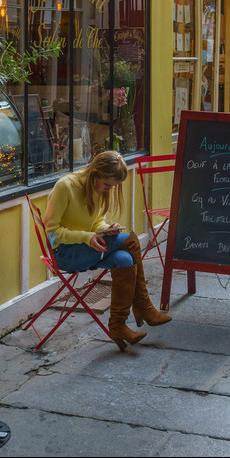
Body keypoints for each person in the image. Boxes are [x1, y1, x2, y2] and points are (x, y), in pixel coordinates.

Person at [43, 150, 171, 350]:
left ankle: (118, 325)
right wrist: (86, 237)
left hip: (88, 250)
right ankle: (144, 307)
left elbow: (96, 223)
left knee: (124, 258)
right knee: (130, 240)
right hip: (65, 255)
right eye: (107, 185)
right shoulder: (65, 186)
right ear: (94, 174)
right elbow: (51, 232)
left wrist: (105, 230)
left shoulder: (100, 190)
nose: (109, 190)